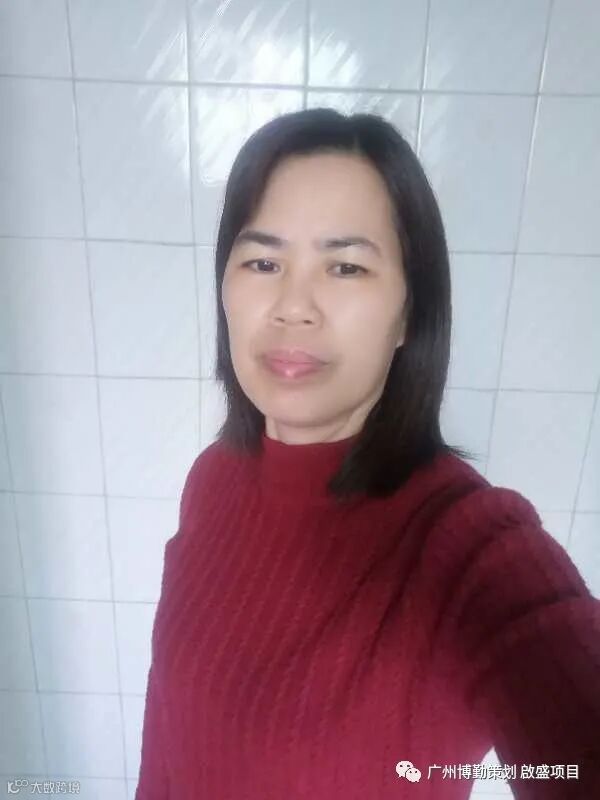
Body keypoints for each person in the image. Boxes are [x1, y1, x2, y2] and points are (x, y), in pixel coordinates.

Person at [135, 108, 600, 799]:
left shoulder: (468, 545)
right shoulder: (213, 480)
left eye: (346, 266)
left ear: (409, 311)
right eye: (263, 262)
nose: (294, 306)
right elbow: (170, 742)